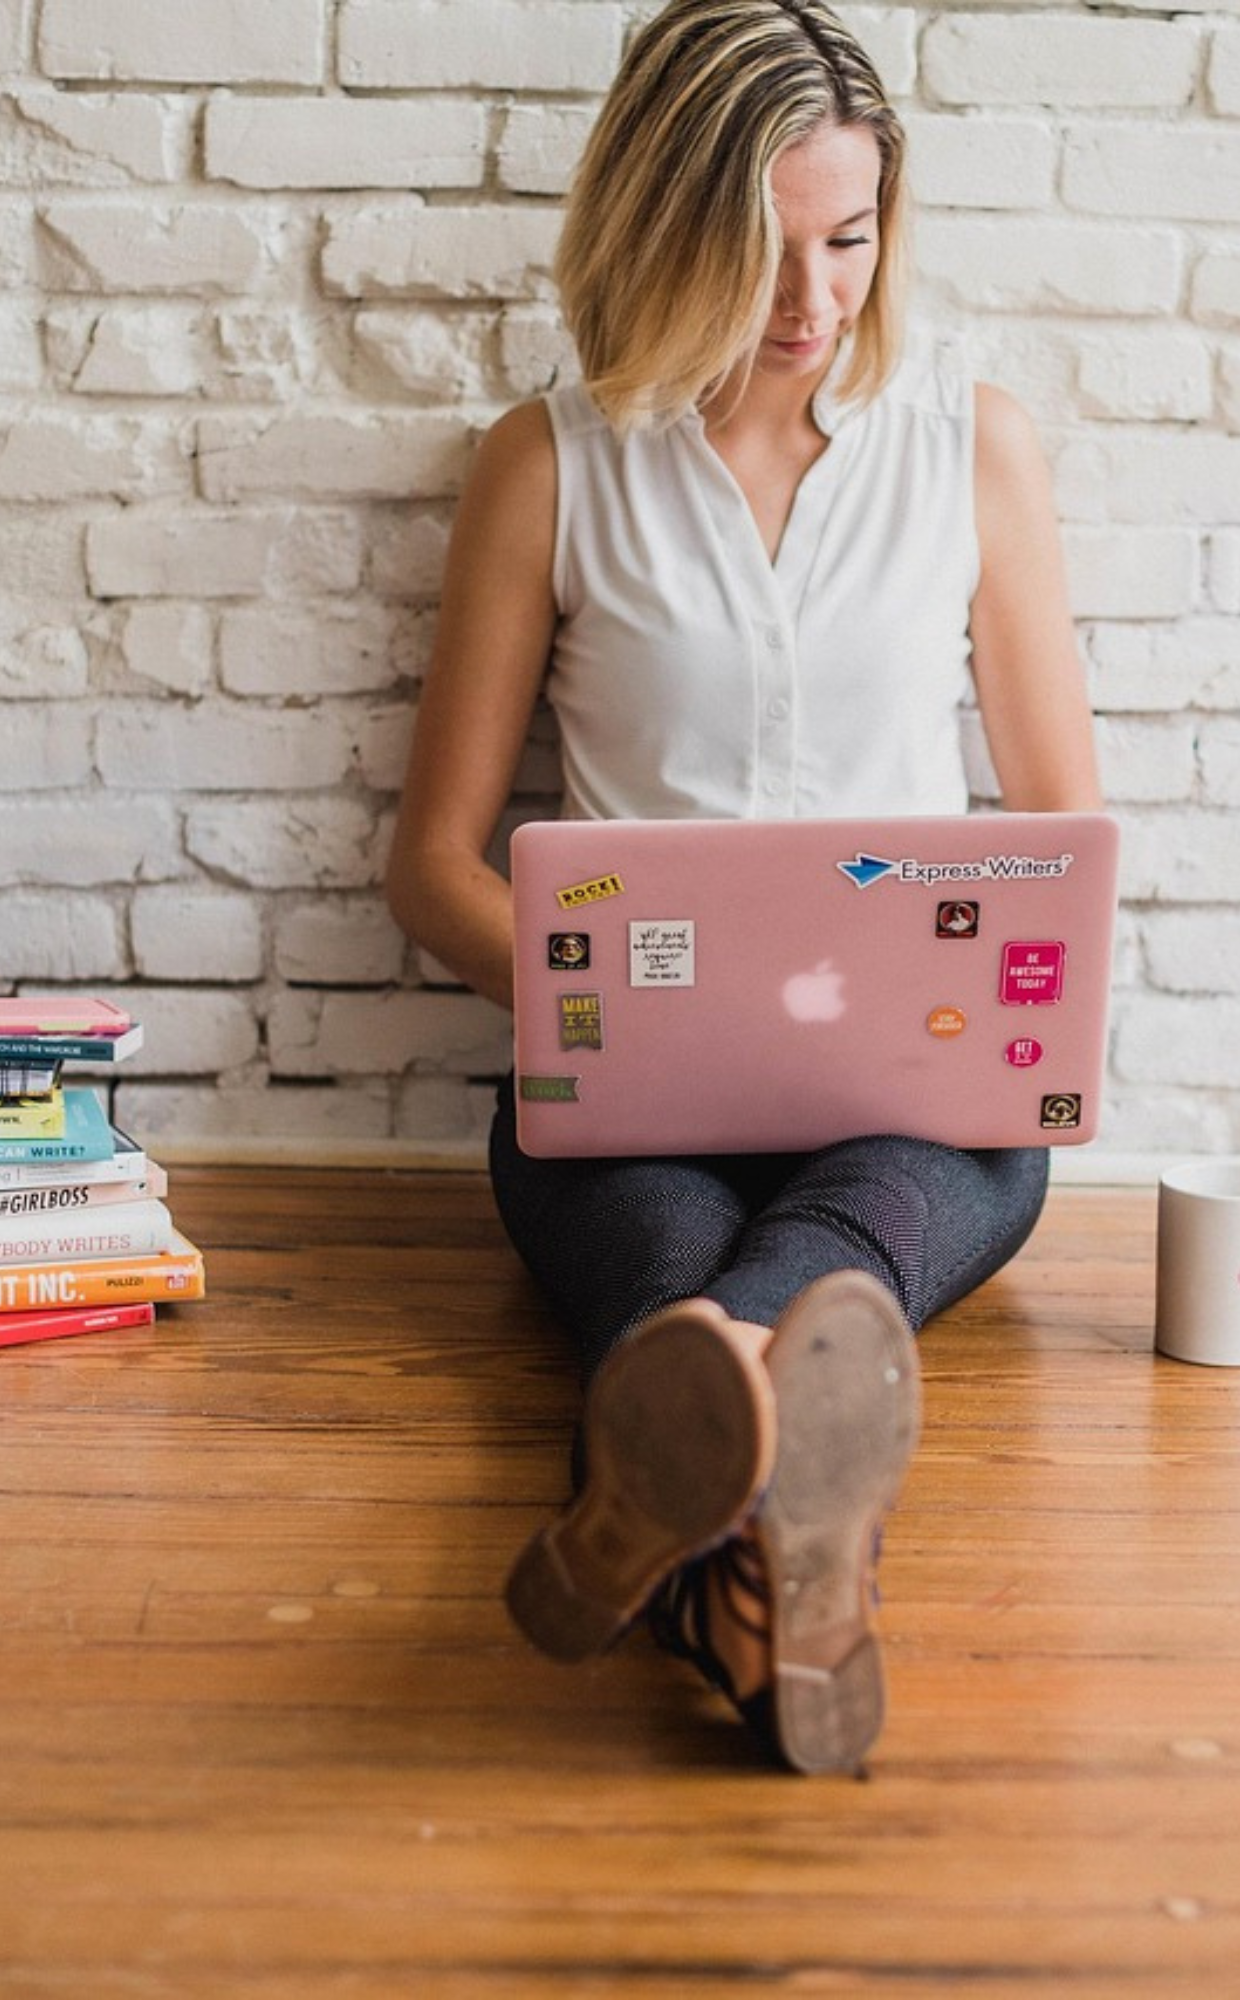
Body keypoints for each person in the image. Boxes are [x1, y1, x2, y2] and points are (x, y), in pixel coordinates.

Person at [385, 0, 1103, 1775]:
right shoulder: (549, 465)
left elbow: (1058, 835)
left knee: (734, 1305)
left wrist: (1026, 995)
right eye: (758, 244)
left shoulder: (969, 448)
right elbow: (430, 869)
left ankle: (677, 1503)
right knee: (708, 1266)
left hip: (921, 1114)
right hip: (624, 1109)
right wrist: (598, 1011)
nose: (811, 296)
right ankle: (800, 1567)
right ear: (660, 224)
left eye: (847, 239)